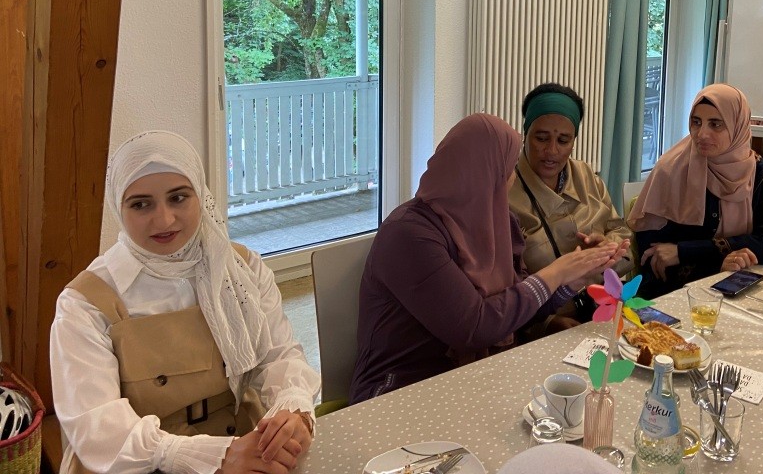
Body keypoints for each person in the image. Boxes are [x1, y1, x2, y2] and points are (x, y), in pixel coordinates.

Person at [51, 131, 320, 474]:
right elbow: (97, 428)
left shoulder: (241, 269)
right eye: (141, 204)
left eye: (178, 198)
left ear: (200, 195)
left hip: (243, 441)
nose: (164, 220)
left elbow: (279, 356)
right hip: (137, 464)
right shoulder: (85, 303)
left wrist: (293, 410)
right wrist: (217, 457)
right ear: (118, 207)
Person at [349, 113, 628, 403]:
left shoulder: (497, 222)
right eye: (508, 168)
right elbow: (474, 327)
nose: (513, 178)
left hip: (475, 377)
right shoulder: (409, 234)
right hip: (401, 391)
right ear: (484, 172)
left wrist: (574, 277)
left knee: (588, 403)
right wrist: (554, 273)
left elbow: (515, 313)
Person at [628, 84, 763, 299]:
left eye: (715, 124)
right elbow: (656, 258)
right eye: (696, 122)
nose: (701, 134)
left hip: (735, 282)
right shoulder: (670, 170)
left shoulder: (762, 173)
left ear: (737, 126)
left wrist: (684, 251)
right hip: (674, 292)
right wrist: (718, 263)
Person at [507, 83, 633, 325]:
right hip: (541, 322)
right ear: (525, 135)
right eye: (541, 138)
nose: (551, 150)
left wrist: (607, 248)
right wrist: (546, 324)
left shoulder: (587, 177)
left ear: (574, 141)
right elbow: (503, 293)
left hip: (604, 309)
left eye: (563, 140)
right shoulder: (506, 191)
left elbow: (624, 240)